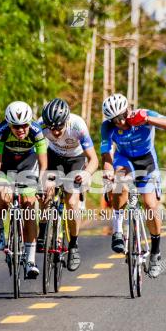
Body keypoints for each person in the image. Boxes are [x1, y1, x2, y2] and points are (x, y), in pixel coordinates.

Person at [99, 93, 166, 279]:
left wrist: (147, 120)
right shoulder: (107, 127)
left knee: (150, 206)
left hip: (146, 160)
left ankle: (155, 252)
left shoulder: (143, 115)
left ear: (128, 109)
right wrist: (107, 171)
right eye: (115, 120)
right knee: (119, 179)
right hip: (124, 159)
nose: (120, 122)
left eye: (122, 116)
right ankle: (118, 232)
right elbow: (106, 156)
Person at [0, 101, 48, 279]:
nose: (20, 130)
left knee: (29, 208)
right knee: (3, 194)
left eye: (24, 126)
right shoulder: (2, 131)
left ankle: (30, 261)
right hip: (6, 166)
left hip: (28, 167)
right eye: (16, 127)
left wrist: (41, 186)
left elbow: (43, 164)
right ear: (9, 125)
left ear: (30, 123)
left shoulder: (37, 131)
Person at [37, 98, 98, 271]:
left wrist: (86, 173)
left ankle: (74, 245)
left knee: (72, 203)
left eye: (59, 128)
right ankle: (43, 229)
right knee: (45, 190)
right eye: (52, 128)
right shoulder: (40, 125)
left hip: (75, 159)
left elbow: (94, 159)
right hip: (52, 156)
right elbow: (32, 153)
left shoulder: (78, 126)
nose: (55, 132)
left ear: (67, 121)